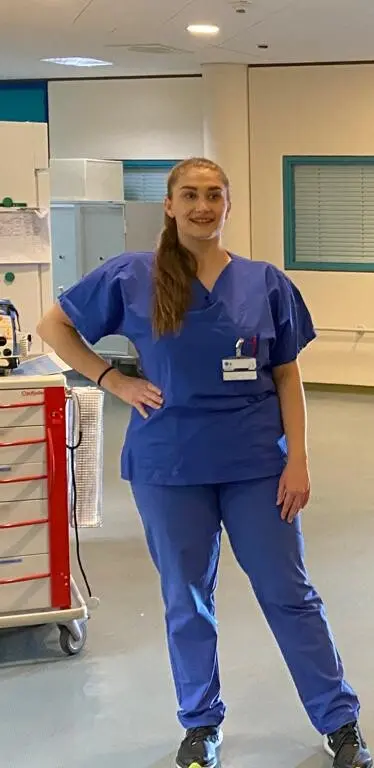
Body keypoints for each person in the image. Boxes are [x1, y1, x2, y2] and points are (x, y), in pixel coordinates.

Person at [37, 157, 372, 768]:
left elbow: (288, 372)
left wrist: (298, 459)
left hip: (256, 466)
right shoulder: (132, 275)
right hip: (170, 466)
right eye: (189, 194)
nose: (202, 205)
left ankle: (340, 723)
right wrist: (113, 380)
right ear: (169, 205)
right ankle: (200, 725)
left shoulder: (265, 282)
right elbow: (54, 325)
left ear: (228, 205)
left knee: (289, 593)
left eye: (214, 195)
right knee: (186, 598)